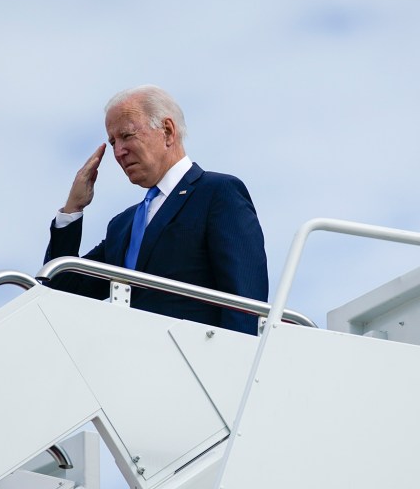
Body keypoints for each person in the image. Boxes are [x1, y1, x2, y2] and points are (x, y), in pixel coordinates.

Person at [43, 85, 268, 335]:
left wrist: (233, 366)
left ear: (168, 131)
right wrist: (73, 209)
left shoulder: (217, 192)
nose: (118, 152)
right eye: (113, 142)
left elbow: (246, 304)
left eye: (127, 136)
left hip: (196, 365)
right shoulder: (122, 225)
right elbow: (59, 291)